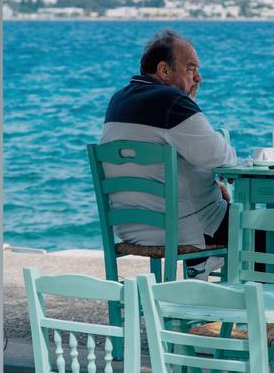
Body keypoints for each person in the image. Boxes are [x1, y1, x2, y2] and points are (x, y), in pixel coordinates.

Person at [101, 29, 236, 279]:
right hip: (179, 229)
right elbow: (221, 157)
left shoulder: (117, 101)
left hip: (129, 228)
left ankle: (200, 268)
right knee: (260, 227)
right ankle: (259, 312)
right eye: (191, 68)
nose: (199, 77)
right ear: (164, 71)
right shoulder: (172, 102)